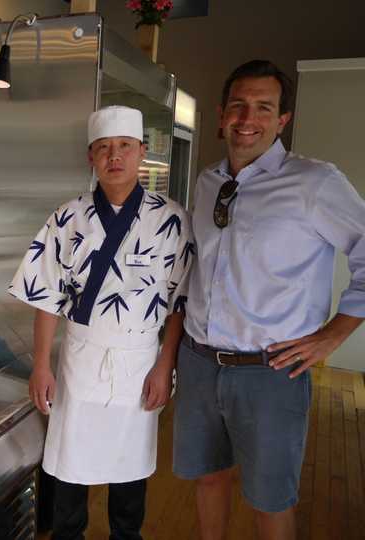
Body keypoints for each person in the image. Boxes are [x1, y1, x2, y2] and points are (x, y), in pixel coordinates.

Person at [174, 59, 365, 540]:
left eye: (263, 107)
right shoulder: (207, 180)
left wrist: (332, 335)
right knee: (207, 476)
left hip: (271, 370)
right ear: (221, 114)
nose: (247, 118)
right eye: (238, 105)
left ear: (282, 120)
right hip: (198, 362)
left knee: (269, 498)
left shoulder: (314, 182)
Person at [8, 106, 193, 540]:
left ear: (142, 153)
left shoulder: (170, 219)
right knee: (71, 462)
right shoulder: (66, 218)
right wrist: (41, 365)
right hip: (81, 358)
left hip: (140, 358)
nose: (115, 156)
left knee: (130, 465)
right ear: (91, 157)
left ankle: (126, 536)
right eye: (104, 148)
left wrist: (166, 366)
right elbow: (46, 297)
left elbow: (179, 302)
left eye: (125, 146)